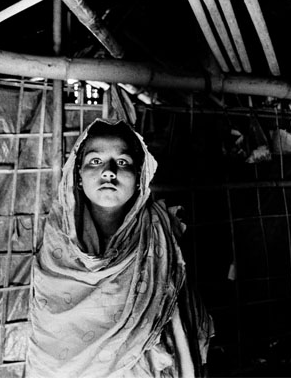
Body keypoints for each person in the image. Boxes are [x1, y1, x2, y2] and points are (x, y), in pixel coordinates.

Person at [26, 119, 212, 378]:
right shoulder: (58, 239)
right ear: (77, 176)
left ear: (140, 176)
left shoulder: (158, 230)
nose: (109, 171)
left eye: (122, 162)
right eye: (95, 161)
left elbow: (180, 316)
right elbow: (53, 332)